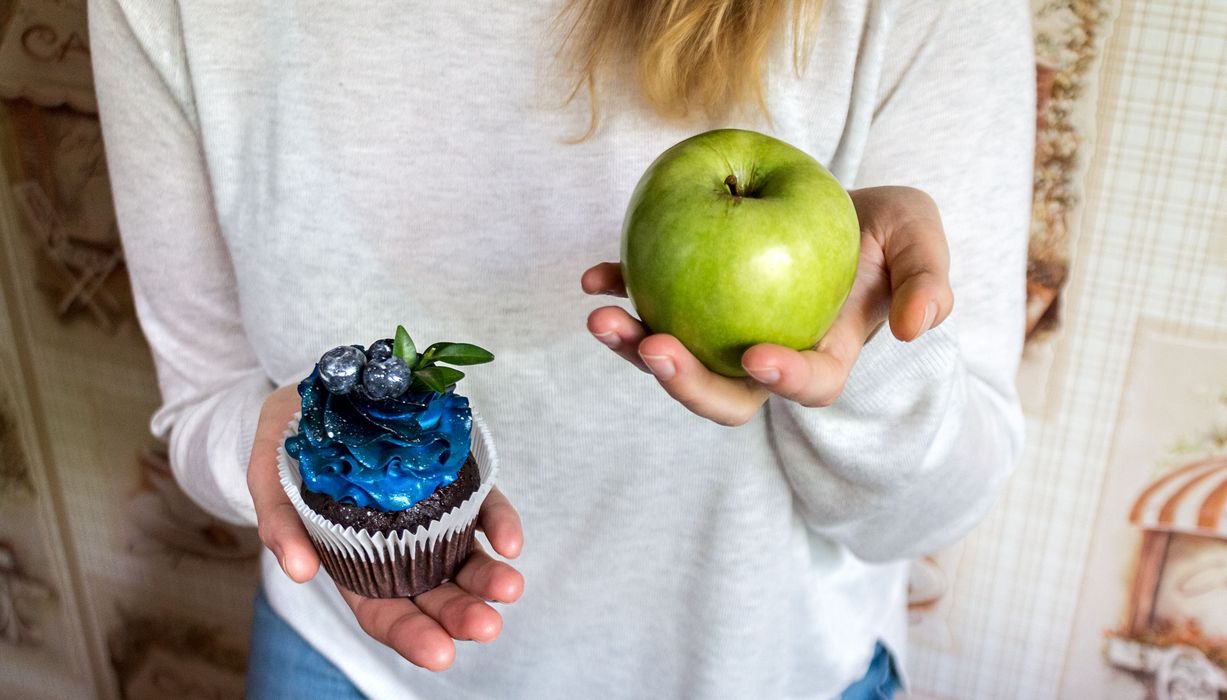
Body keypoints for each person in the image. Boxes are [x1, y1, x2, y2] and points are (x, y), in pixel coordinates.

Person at [91, 0, 1033, 697]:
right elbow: (206, 396)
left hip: (759, 673)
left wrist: (862, 348)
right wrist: (275, 465)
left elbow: (940, 506)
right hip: (347, 664)